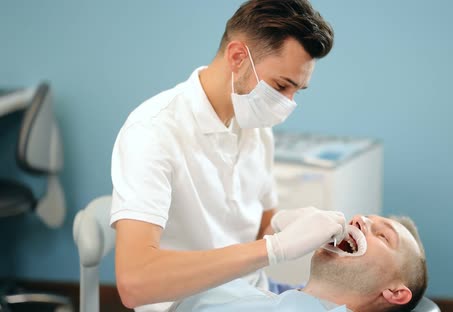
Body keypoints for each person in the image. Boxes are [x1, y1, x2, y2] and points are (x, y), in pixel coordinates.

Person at [109, 1, 343, 311]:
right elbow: (135, 283)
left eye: (298, 90)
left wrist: (286, 224)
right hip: (185, 303)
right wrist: (274, 248)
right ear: (237, 57)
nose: (288, 103)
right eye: (281, 85)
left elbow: (261, 224)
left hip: (250, 293)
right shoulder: (152, 132)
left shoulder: (255, 127)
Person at [169, 214, 429, 312]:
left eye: (383, 236)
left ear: (395, 293)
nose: (359, 220)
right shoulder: (247, 293)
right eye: (365, 220)